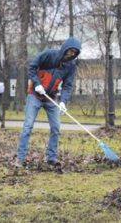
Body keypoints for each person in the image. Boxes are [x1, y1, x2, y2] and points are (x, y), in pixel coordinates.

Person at [14, 37, 81, 168]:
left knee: (56, 128)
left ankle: (51, 158)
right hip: (35, 95)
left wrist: (63, 102)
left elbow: (67, 86)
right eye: (70, 51)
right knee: (27, 126)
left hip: (51, 97)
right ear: (65, 48)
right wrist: (37, 84)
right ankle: (20, 159)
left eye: (74, 53)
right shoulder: (49, 55)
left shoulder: (71, 66)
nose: (71, 54)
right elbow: (32, 67)